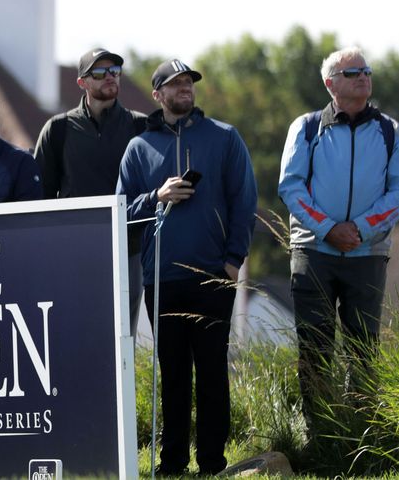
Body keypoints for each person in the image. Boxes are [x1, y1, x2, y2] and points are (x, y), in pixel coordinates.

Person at [116, 59, 257, 475]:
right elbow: (121, 210)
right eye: (175, 84)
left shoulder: (224, 137)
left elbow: (244, 201)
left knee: (213, 371)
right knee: (173, 374)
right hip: (162, 277)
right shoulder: (139, 148)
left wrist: (233, 261)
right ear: (157, 95)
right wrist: (157, 196)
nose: (185, 89)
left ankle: (212, 462)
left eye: (188, 82)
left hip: (214, 274)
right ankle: (172, 462)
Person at [278, 47, 399, 434]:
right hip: (314, 250)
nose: (364, 77)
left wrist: (360, 228)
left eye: (366, 71)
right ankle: (320, 438)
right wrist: (328, 227)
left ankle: (361, 436)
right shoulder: (307, 126)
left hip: (368, 252)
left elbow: (397, 191)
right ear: (331, 84)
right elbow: (291, 187)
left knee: (363, 350)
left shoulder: (390, 130)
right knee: (314, 350)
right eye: (353, 73)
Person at [34, 48, 147, 337]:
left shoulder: (141, 126)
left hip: (128, 250)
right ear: (82, 82)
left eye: (115, 71)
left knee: (122, 340)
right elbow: (40, 197)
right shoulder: (57, 129)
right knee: (76, 336)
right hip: (74, 250)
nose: (110, 77)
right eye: (99, 72)